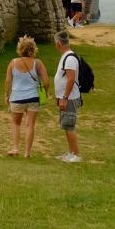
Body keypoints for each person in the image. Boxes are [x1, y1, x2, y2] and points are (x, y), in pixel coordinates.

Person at [3, 35, 47, 157]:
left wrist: (7, 95)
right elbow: (47, 82)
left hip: (17, 97)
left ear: (20, 48)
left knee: (16, 123)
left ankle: (15, 148)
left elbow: (7, 81)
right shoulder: (38, 63)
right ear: (33, 49)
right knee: (30, 125)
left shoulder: (13, 62)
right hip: (33, 97)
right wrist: (45, 93)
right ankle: (27, 152)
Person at [53, 30, 82, 163]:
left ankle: (75, 154)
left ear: (59, 43)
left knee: (69, 125)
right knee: (66, 124)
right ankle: (71, 152)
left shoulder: (69, 58)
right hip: (65, 97)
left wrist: (64, 98)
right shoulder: (66, 56)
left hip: (69, 98)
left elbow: (70, 79)